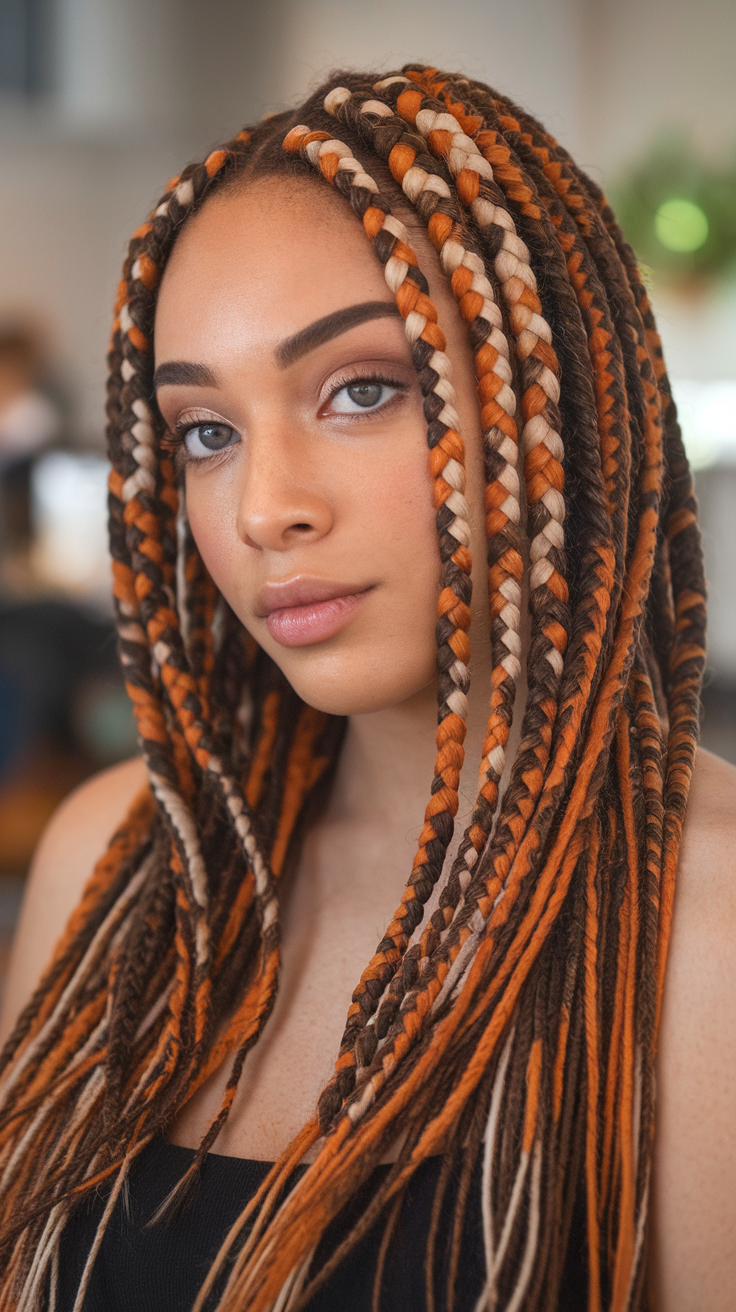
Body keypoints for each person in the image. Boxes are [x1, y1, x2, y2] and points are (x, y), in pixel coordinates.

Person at [0, 65, 734, 1312]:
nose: (262, 507)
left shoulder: (706, 937)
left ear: (547, 388)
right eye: (204, 432)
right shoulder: (121, 857)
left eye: (361, 390)